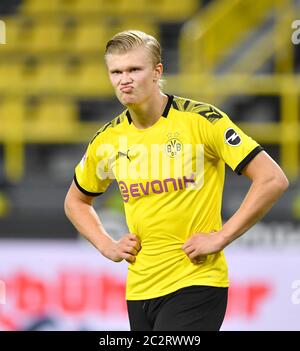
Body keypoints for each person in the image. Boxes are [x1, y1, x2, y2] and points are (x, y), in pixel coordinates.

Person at [64, 30, 289, 331]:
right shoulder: (107, 140)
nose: (124, 79)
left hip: (196, 282)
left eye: (134, 69)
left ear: (157, 72)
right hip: (141, 289)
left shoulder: (200, 120)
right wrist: (107, 245)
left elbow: (272, 179)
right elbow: (76, 201)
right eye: (116, 71)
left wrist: (221, 237)